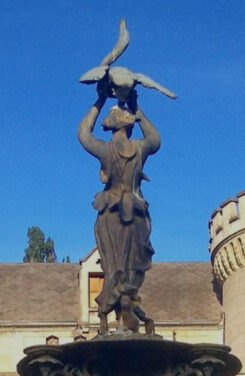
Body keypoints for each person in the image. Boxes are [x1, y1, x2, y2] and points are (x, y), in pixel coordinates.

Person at [78, 77, 160, 335]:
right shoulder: (140, 148)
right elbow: (155, 139)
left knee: (114, 266)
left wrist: (100, 99)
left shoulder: (106, 150)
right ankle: (125, 306)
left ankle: (112, 309)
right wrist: (136, 106)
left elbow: (83, 135)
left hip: (112, 216)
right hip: (135, 216)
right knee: (131, 266)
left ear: (111, 125)